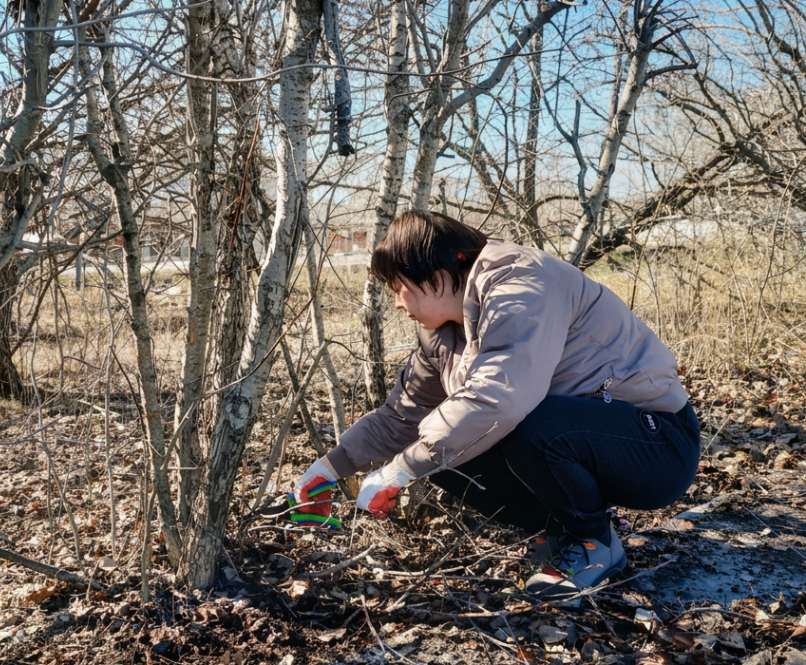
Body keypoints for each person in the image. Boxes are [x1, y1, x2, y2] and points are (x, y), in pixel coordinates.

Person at [293, 210, 700, 597]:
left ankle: (595, 542)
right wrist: (330, 468)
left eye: (400, 288)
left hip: (659, 446)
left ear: (435, 275)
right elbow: (402, 416)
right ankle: (560, 530)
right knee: (438, 443)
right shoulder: (443, 333)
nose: (398, 303)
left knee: (514, 423)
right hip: (585, 441)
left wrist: (399, 471)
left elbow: (500, 397)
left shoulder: (521, 285)